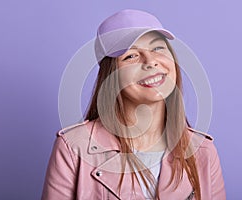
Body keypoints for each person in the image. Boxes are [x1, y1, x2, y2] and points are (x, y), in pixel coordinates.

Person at [42, 9, 226, 200]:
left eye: (158, 48)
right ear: (110, 76)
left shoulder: (203, 150)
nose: (151, 62)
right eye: (131, 56)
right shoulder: (73, 148)